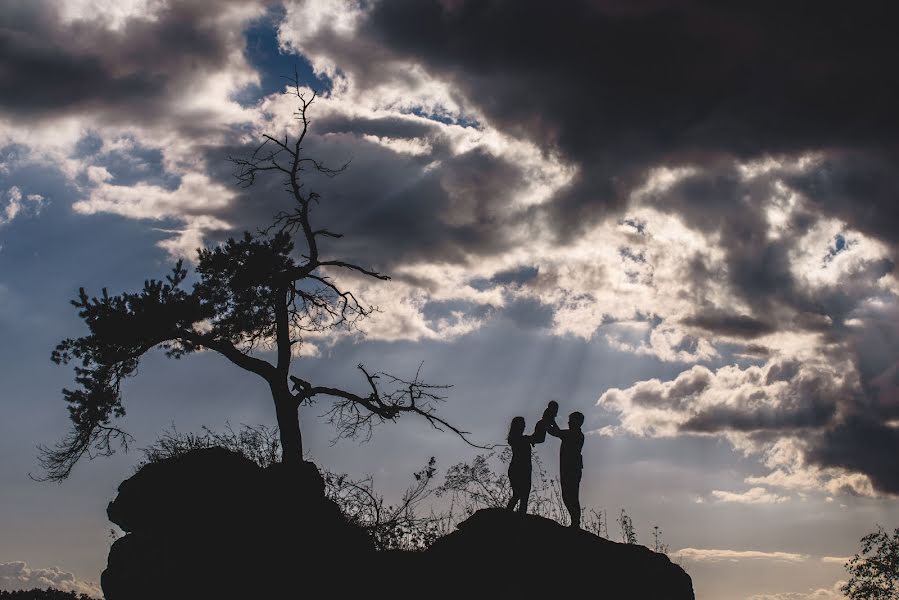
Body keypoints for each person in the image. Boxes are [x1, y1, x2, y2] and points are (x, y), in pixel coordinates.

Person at [547, 411, 585, 528]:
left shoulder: (573, 434)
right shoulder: (573, 434)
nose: (568, 422)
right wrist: (551, 420)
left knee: (571, 496)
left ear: (576, 422)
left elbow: (554, 432)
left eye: (571, 420)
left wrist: (549, 419)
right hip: (571, 468)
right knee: (570, 496)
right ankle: (575, 522)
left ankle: (575, 522)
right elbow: (558, 432)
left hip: (571, 469)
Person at [505, 416, 533, 514]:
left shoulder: (518, 439)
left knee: (519, 495)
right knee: (521, 495)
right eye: (522, 424)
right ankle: (517, 517)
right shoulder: (518, 439)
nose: (524, 426)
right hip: (520, 469)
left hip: (521, 469)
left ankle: (509, 515)